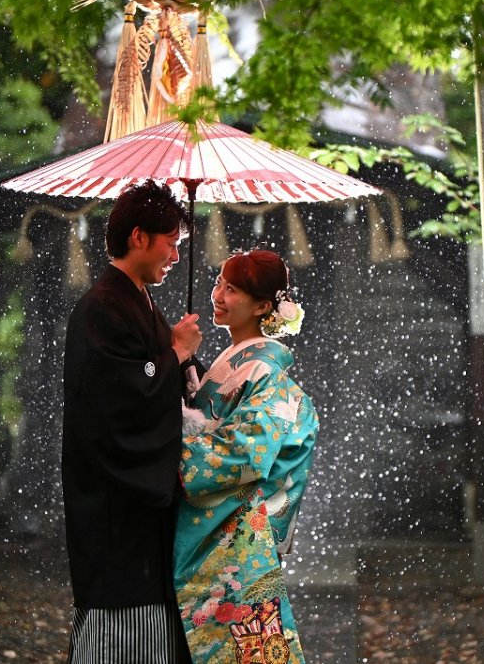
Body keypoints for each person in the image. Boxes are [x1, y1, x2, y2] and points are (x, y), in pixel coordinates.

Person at [62, 181, 204, 664]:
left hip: (145, 510)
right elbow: (121, 400)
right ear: (139, 237)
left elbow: (155, 381)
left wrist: (185, 370)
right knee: (122, 639)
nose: (175, 255)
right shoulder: (101, 307)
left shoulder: (138, 304)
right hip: (116, 506)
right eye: (170, 243)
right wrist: (176, 353)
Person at [173, 249, 319, 664]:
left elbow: (246, 454)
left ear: (262, 307)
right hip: (226, 532)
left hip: (232, 537)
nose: (217, 294)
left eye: (231, 289)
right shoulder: (237, 363)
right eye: (218, 282)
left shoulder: (263, 371)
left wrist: (169, 452)